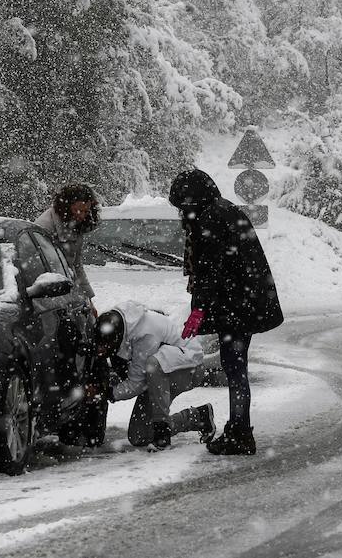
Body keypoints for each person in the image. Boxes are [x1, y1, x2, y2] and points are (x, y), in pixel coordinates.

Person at [169, 168, 283, 456]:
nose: (182, 213)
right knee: (236, 367)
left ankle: (240, 433)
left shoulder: (212, 218)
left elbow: (210, 272)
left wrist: (198, 312)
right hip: (244, 303)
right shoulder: (223, 210)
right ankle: (239, 429)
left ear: (192, 201)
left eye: (183, 206)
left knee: (235, 369)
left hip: (238, 306)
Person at [90, 302, 218, 451]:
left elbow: (136, 383)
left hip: (189, 368)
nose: (101, 350)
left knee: (154, 364)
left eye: (105, 345)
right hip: (160, 372)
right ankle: (199, 417)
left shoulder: (145, 335)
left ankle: (162, 431)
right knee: (140, 436)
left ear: (117, 336)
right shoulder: (117, 327)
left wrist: (106, 392)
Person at [35, 183, 100, 301]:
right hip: (49, 293)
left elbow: (76, 265)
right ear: (66, 206)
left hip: (66, 289)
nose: (82, 216)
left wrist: (87, 298)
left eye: (86, 211)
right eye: (78, 210)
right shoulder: (45, 226)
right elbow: (42, 267)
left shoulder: (75, 226)